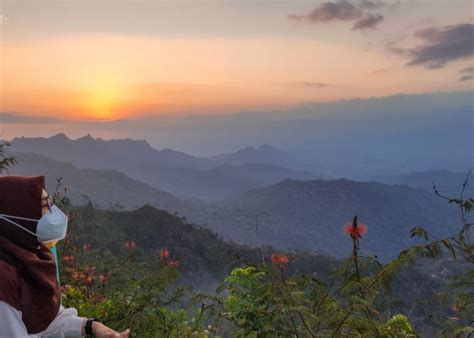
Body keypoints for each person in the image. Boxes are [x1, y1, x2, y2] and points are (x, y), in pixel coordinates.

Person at [0, 176, 130, 337]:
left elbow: (46, 321)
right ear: (18, 214)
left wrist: (93, 327)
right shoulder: (3, 279)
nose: (52, 212)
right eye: (44, 206)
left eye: (50, 203)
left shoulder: (30, 258)